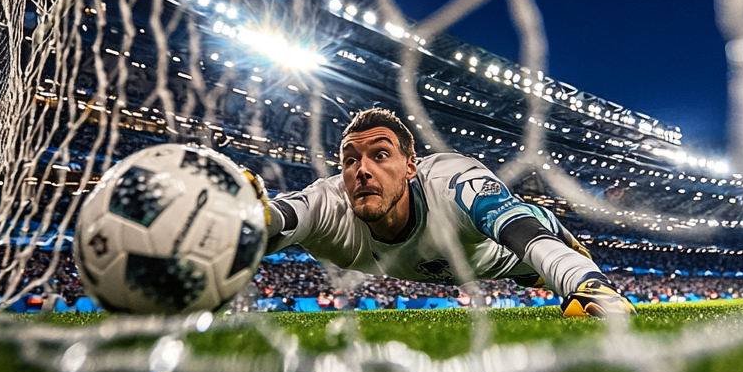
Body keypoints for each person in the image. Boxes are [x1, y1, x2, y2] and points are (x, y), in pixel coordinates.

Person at [264, 107, 634, 319]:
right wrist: (238, 211)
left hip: (506, 258)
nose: (361, 170)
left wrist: (584, 283)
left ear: (411, 166)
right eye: (349, 159)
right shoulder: (330, 205)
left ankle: (555, 265)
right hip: (461, 263)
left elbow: (519, 228)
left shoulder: (453, 180)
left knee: (540, 256)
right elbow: (274, 219)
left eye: (379, 155)